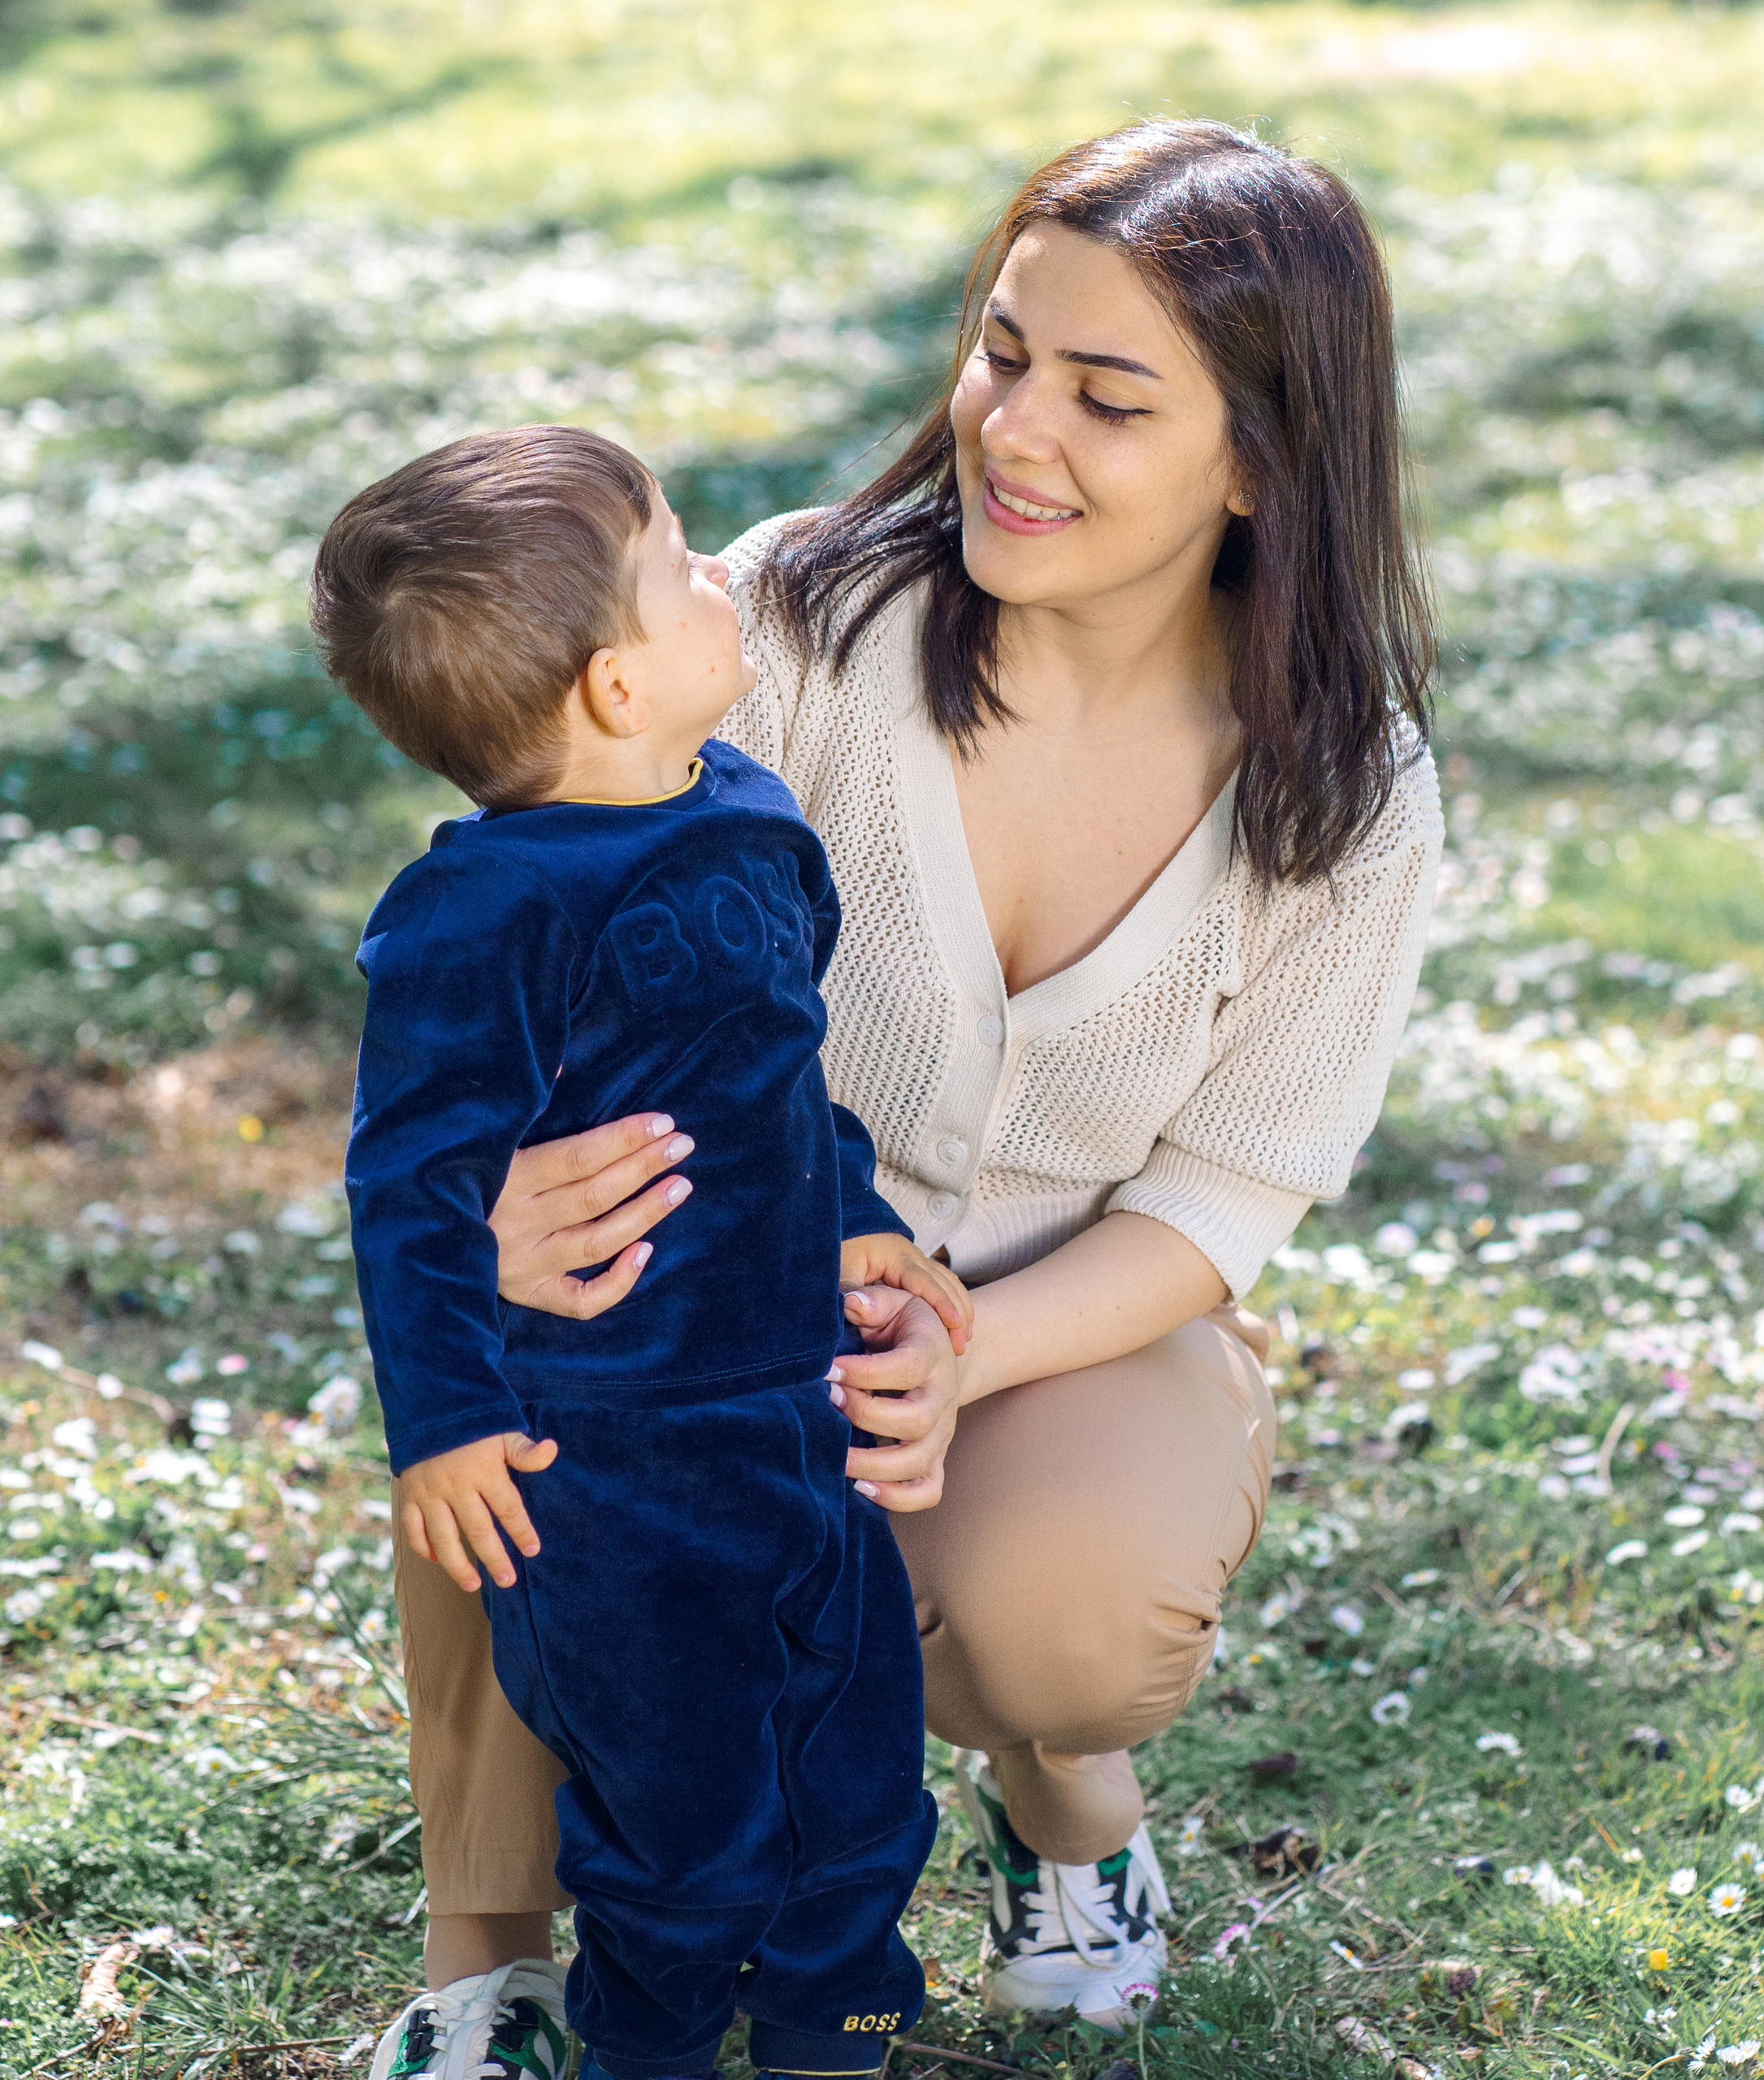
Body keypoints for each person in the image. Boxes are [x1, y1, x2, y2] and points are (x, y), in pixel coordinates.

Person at [374, 116, 1444, 2076]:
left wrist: (970, 1341)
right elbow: (515, 946)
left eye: (1107, 399)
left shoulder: (1340, 791)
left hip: (1062, 1326)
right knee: (523, 1385)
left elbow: (1229, 1190)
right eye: (1003, 353)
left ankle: (1068, 1813)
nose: (1013, 431)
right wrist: (501, 1213)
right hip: (705, 1321)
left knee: (1063, 1613)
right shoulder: (787, 626)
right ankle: (491, 1961)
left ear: (1259, 461)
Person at [315, 425, 973, 2080]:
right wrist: (449, 1418)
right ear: (616, 685)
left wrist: (861, 1224)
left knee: (852, 1759)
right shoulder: (482, 913)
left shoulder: (745, 815)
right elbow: (408, 1179)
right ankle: (651, 2036)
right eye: (679, 563)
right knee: (675, 1805)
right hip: (609, 1459)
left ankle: (834, 2020)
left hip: (799, 1415)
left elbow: (776, 1076)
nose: (715, 572)